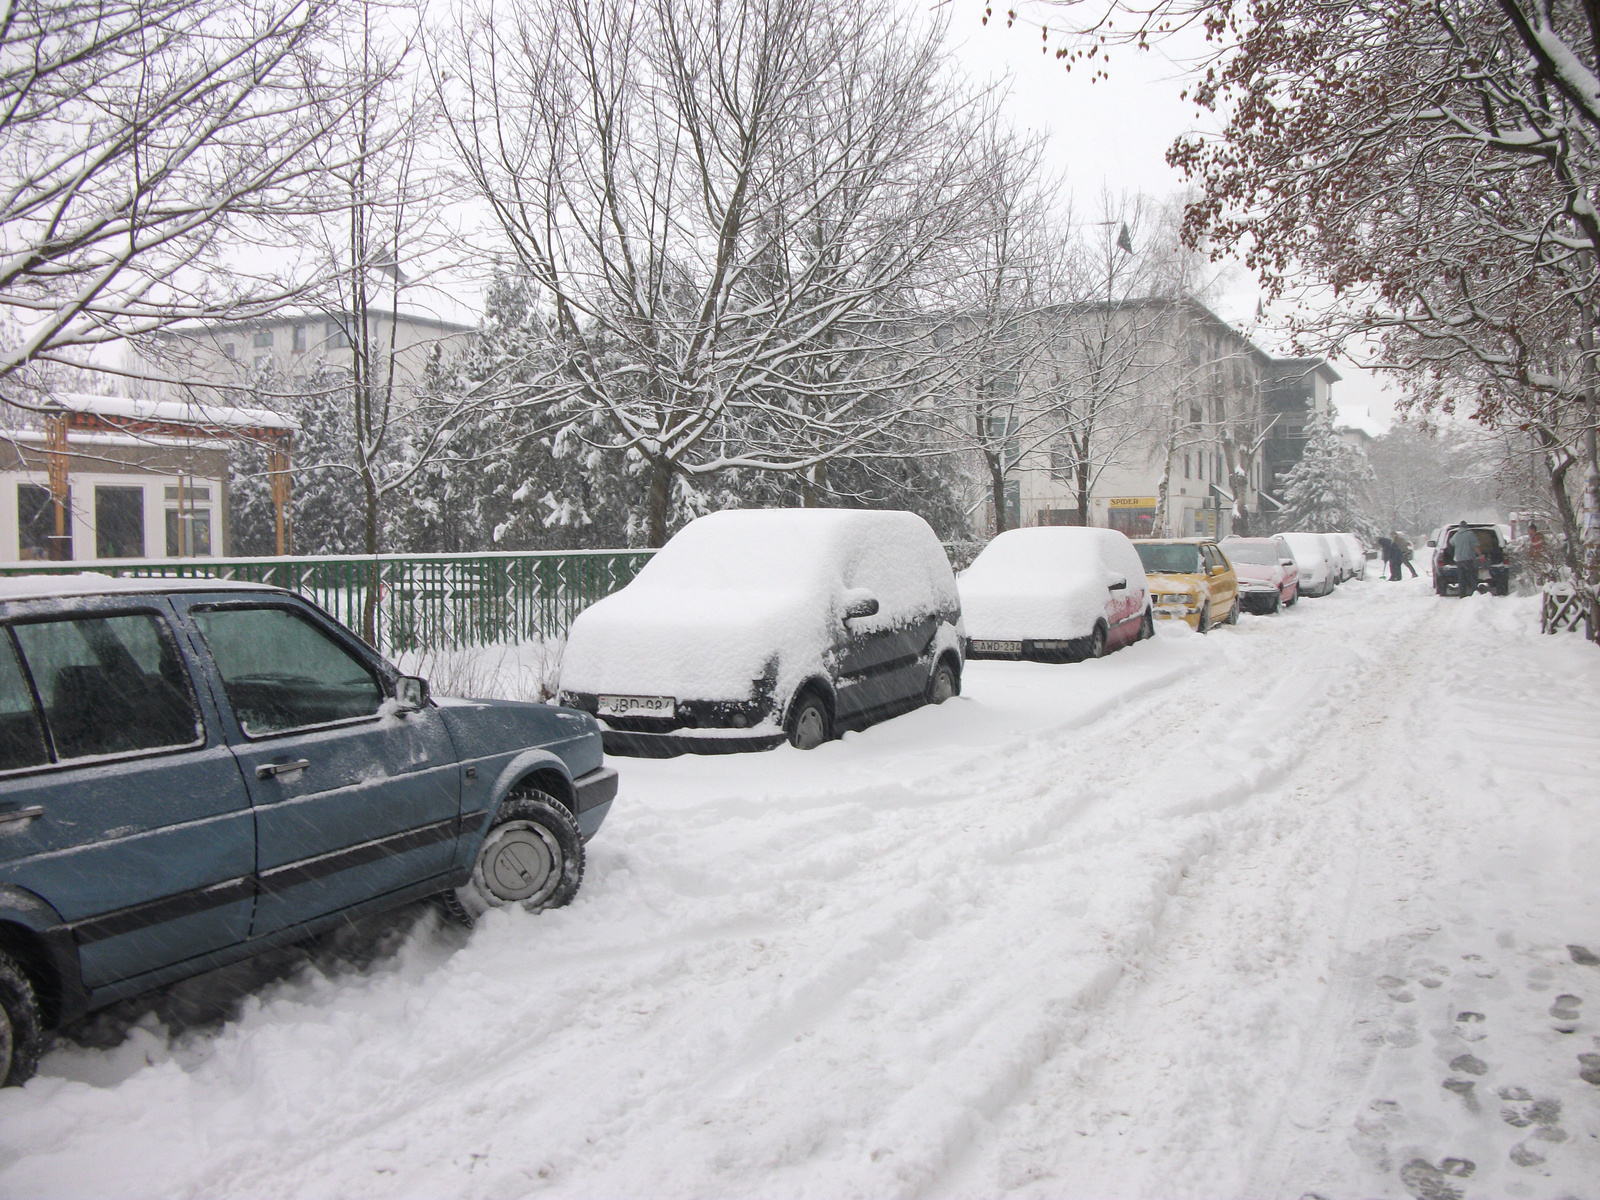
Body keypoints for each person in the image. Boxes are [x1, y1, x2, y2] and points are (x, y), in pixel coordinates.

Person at [1449, 523, 1483, 596]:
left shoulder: (1456, 535)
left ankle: (1462, 594)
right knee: (1472, 576)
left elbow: (1451, 542)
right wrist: (1480, 555)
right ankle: (1474, 593)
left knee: (1461, 578)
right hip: (1469, 559)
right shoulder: (1470, 534)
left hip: (1459, 560)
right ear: (1466, 527)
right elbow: (1475, 546)